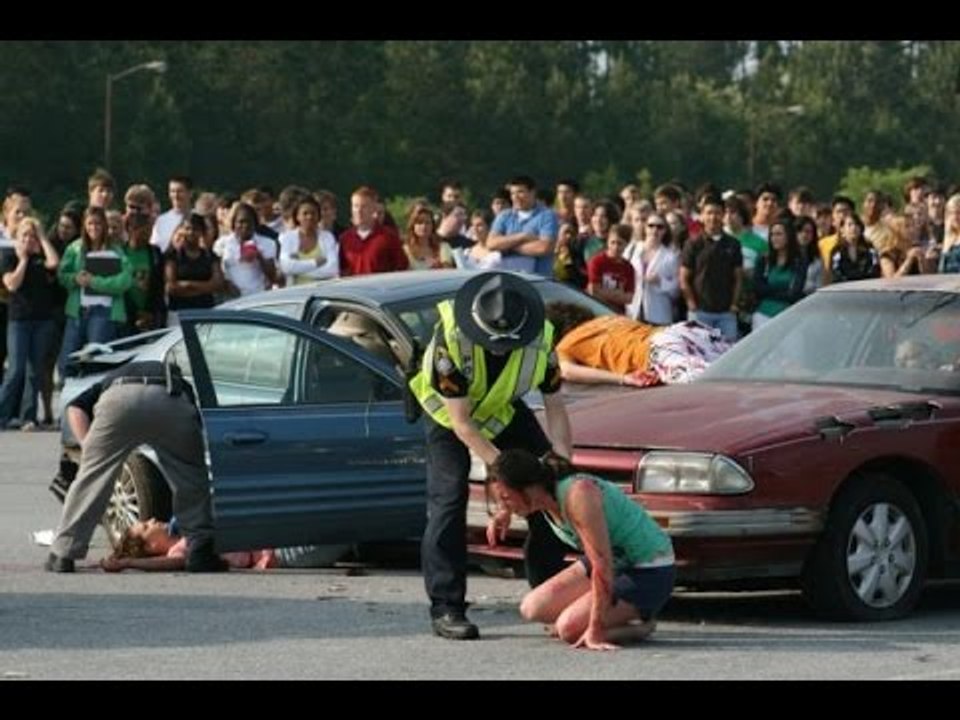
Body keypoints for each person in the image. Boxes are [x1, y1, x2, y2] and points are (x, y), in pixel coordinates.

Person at [408, 271, 573, 640]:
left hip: (502, 411)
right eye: (492, 342)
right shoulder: (449, 341)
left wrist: (561, 457)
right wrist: (504, 473)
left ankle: (548, 593)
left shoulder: (542, 339)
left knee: (554, 487)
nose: (499, 349)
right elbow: (463, 424)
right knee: (449, 500)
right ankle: (447, 608)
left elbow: (557, 408)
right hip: (448, 420)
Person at [44, 360, 227, 573]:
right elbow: (195, 420)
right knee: (189, 475)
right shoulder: (178, 378)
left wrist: (89, 449)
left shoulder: (109, 380)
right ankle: (199, 550)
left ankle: (63, 553)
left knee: (91, 479)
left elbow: (75, 408)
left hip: (118, 400)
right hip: (170, 396)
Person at [487, 449, 675, 650]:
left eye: (506, 498)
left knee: (568, 630)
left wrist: (595, 629)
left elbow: (602, 566)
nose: (503, 504)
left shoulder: (579, 495)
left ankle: (641, 627)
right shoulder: (541, 488)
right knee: (531, 608)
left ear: (529, 488)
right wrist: (504, 511)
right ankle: (597, 615)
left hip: (649, 569)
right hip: (614, 559)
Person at [100, 518, 338, 572]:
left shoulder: (188, 528)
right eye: (145, 526)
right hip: (282, 554)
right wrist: (129, 562)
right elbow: (172, 563)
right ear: (151, 546)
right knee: (343, 535)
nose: (152, 520)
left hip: (280, 538)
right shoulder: (181, 549)